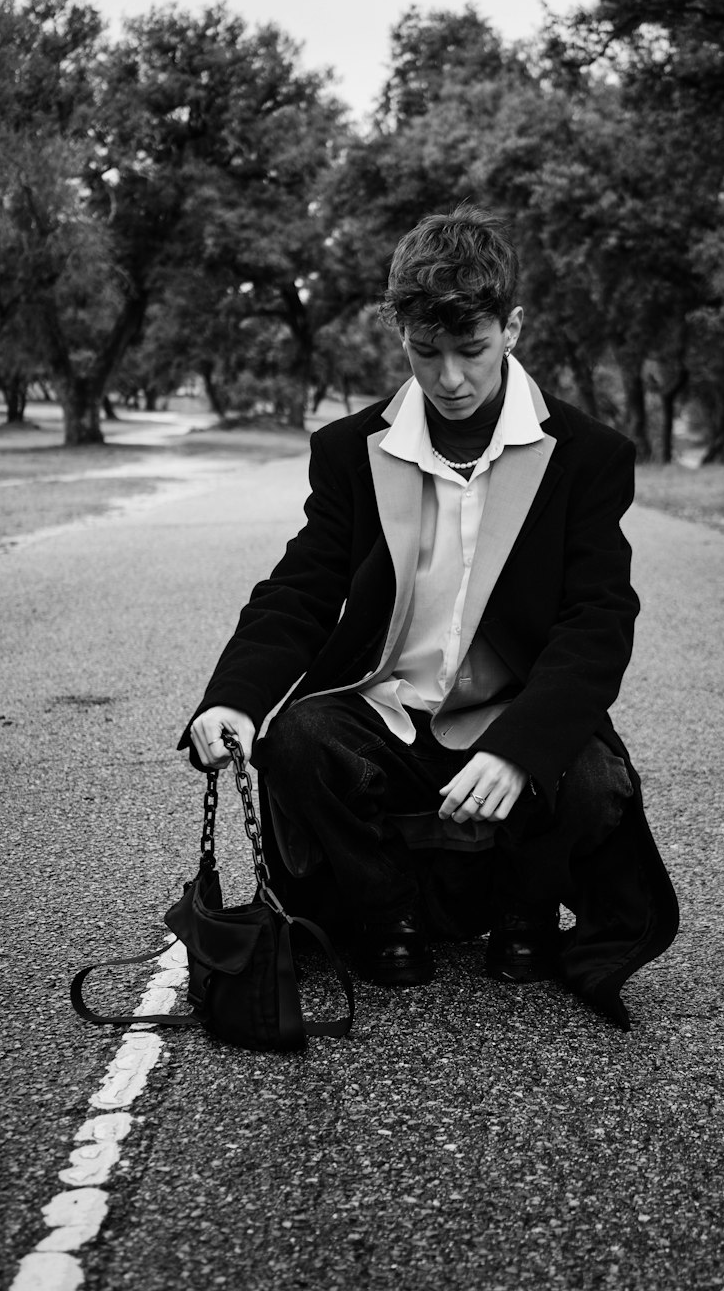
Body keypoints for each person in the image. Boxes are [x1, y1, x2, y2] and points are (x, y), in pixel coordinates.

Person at [180, 206, 678, 1030]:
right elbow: (301, 588)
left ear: (512, 327)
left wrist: (521, 751)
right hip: (390, 712)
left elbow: (598, 619)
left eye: (472, 350)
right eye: (424, 351)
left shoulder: (588, 456)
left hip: (508, 712)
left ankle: (524, 918)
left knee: (590, 776)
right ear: (397, 331)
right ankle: (386, 917)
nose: (449, 378)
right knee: (299, 740)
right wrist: (230, 697)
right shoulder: (351, 449)